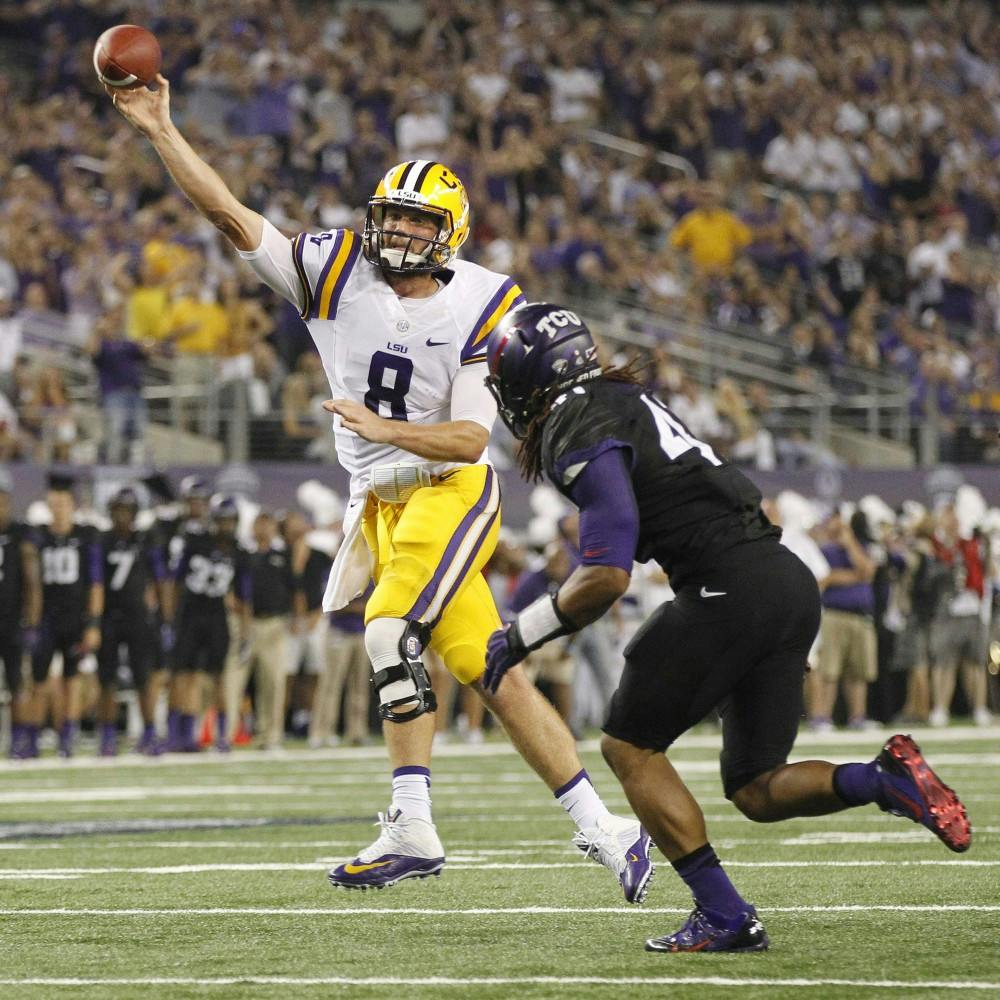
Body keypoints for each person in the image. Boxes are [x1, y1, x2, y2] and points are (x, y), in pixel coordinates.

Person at [106, 75, 651, 901]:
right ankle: (609, 830)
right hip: (381, 505)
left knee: (388, 629)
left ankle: (412, 825)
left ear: (450, 235)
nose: (395, 231)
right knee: (492, 667)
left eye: (415, 221)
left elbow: (472, 438)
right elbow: (228, 215)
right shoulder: (332, 267)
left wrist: (380, 426)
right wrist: (160, 131)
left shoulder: (484, 299)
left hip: (451, 488)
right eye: (389, 214)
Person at [482, 303, 971, 953]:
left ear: (531, 380)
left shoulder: (577, 420)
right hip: (784, 580)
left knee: (628, 747)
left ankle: (725, 914)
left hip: (727, 586)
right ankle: (882, 779)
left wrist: (521, 633)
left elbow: (605, 574)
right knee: (757, 788)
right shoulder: (621, 398)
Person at [166, 493, 251, 752]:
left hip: (216, 618)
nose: (225, 526)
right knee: (184, 675)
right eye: (221, 520)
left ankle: (223, 736)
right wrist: (170, 619)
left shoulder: (239, 551)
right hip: (190, 615)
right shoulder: (195, 542)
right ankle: (178, 734)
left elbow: (244, 596)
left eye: (229, 521)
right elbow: (175, 582)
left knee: (219, 677)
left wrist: (246, 633)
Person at [28, 474, 104, 758]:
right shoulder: (38, 536)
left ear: (72, 505)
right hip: (45, 617)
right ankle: (32, 737)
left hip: (74, 617)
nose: (59, 508)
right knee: (38, 678)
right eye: (55, 503)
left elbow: (95, 583)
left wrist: (93, 622)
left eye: (63, 503)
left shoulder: (85, 538)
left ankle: (67, 736)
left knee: (72, 678)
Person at [96, 487, 171, 756]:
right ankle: (106, 735)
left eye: (126, 511)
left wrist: (165, 618)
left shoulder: (146, 540)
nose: (121, 516)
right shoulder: (102, 540)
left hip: (139, 617)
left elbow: (161, 580)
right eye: (117, 510)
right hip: (109, 616)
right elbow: (95, 582)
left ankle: (149, 732)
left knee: (143, 678)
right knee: (107, 679)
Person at [0, 467, 42, 759]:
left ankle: (21, 739)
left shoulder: (20, 534)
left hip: (12, 620)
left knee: (18, 681)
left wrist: (33, 622)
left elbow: (32, 582)